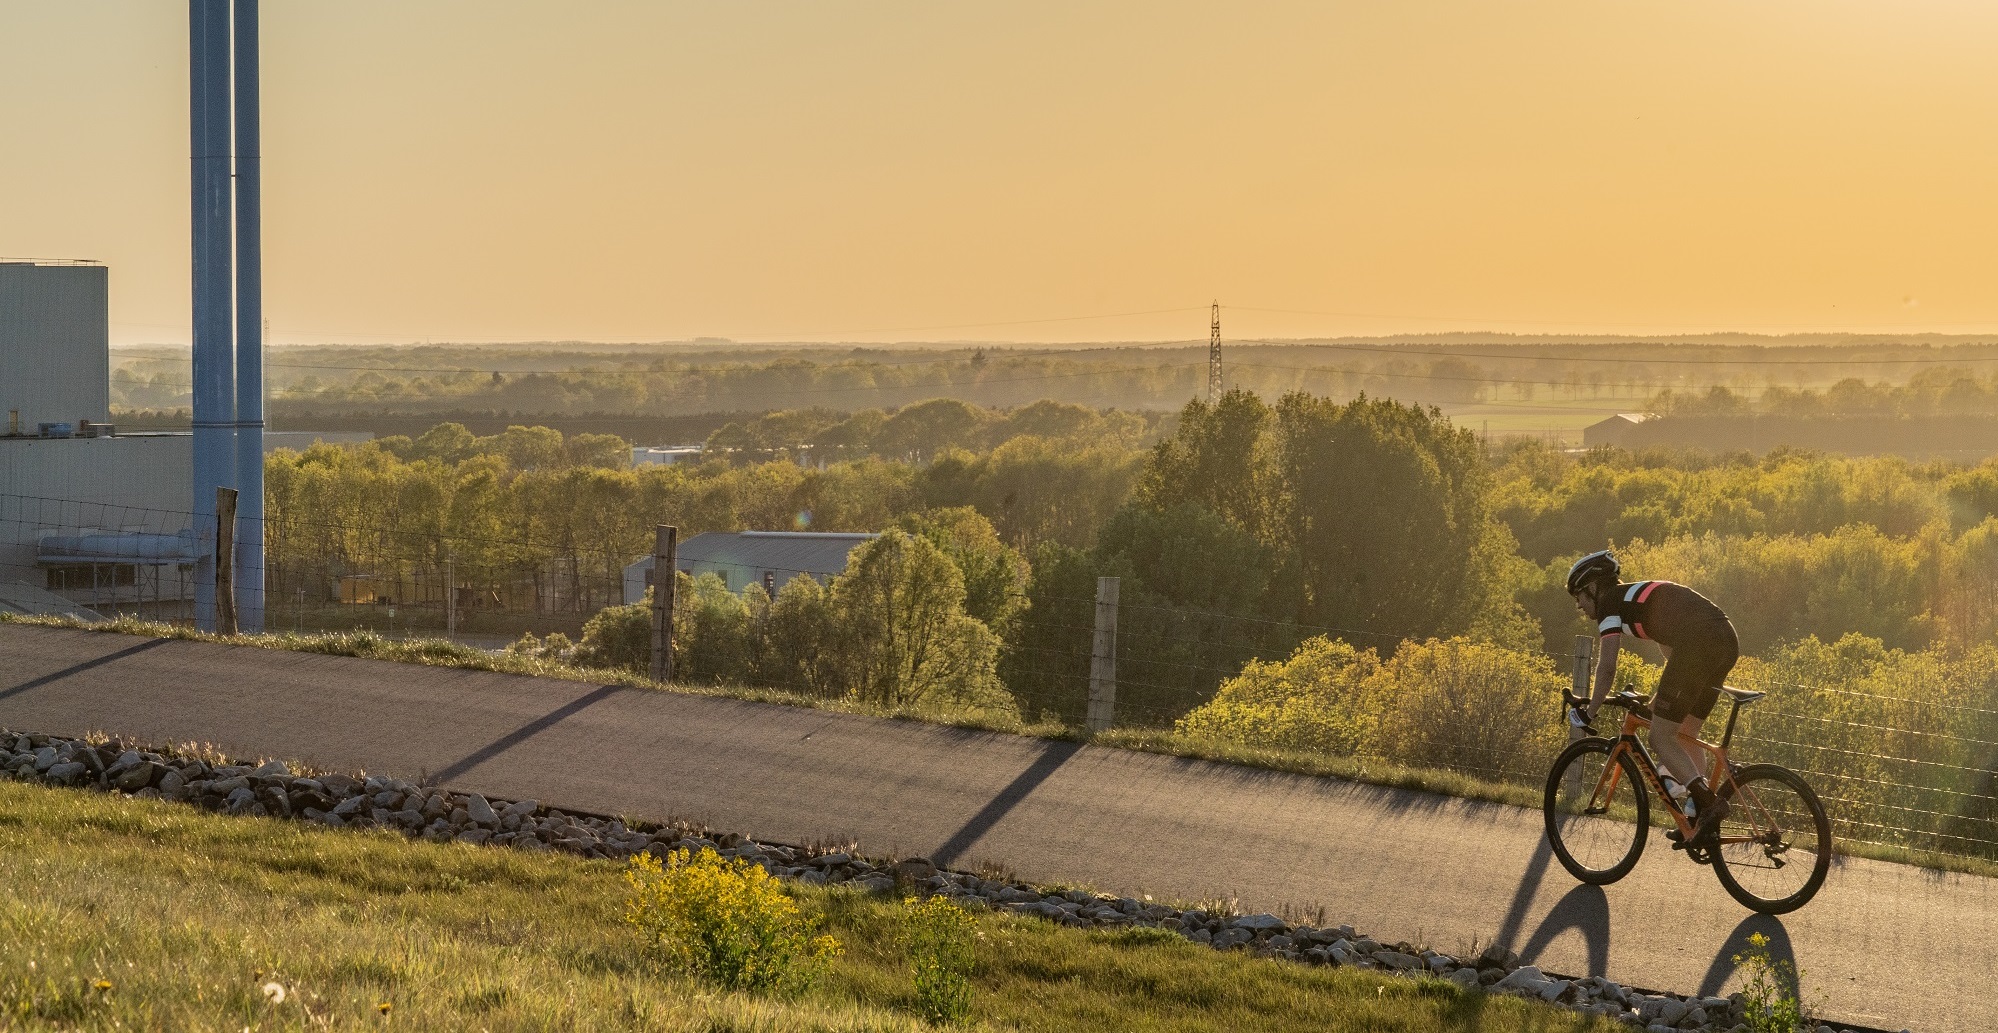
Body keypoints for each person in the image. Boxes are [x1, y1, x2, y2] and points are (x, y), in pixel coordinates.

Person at [1566, 550, 1739, 844]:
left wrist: (1589, 711)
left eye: (1579, 596)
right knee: (1685, 733)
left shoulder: (1610, 604)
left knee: (1659, 738)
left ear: (1593, 587)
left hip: (1699, 643)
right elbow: (1672, 656)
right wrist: (1658, 702)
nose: (1579, 605)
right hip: (1725, 640)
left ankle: (1709, 803)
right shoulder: (1636, 601)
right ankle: (1697, 820)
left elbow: (1607, 668)